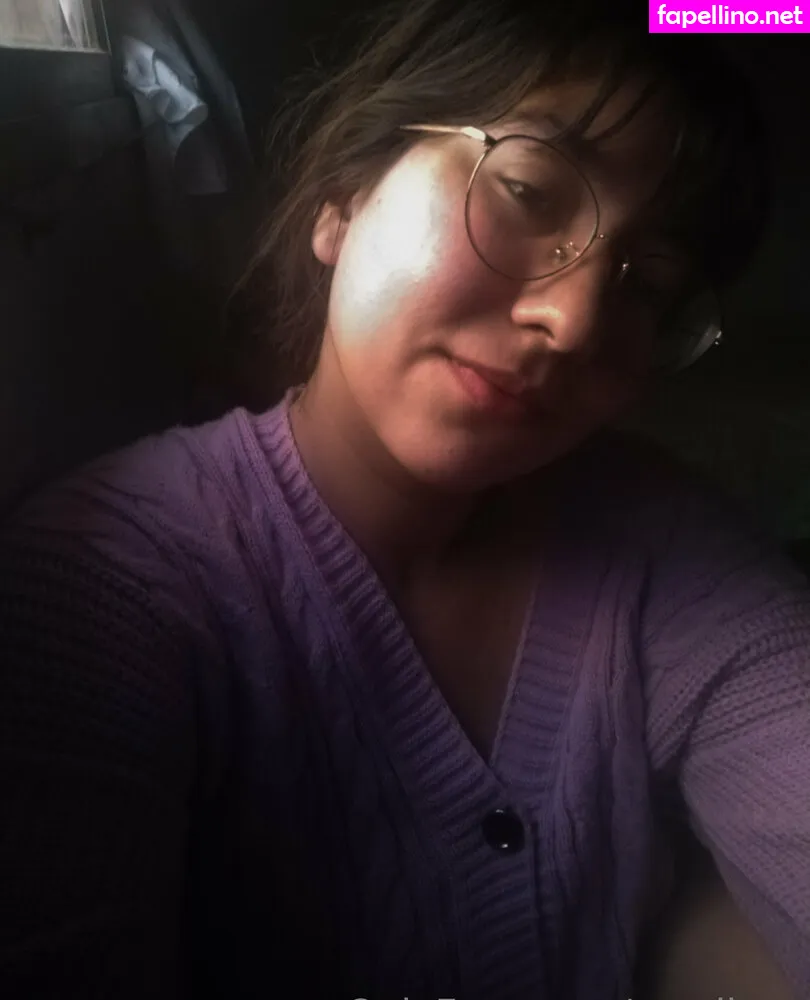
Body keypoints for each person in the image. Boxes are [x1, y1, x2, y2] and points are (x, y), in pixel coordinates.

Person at [1, 0, 808, 997]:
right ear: (344, 198)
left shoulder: (665, 549)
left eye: (648, 287)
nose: (575, 318)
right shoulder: (99, 589)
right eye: (526, 190)